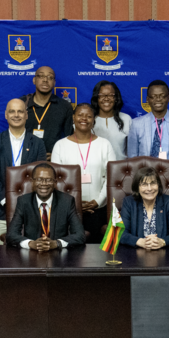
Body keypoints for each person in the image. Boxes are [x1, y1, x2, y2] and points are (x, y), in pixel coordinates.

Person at [0, 98, 48, 245]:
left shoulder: (37, 143)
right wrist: (6, 201)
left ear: (27, 115)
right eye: (12, 111)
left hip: (32, 208)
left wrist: (26, 202)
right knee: (1, 256)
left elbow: (41, 176)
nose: (16, 115)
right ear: (6, 115)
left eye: (20, 111)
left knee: (31, 255)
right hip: (1, 209)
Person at [51, 103, 116, 243]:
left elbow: (111, 178)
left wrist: (98, 202)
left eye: (89, 116)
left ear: (94, 120)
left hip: (98, 210)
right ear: (73, 118)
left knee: (98, 254)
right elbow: (55, 181)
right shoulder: (60, 145)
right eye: (80, 115)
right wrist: (74, 203)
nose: (84, 118)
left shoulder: (105, 145)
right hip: (68, 210)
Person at [128, 80, 169, 194]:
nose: (158, 100)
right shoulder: (136, 124)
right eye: (153, 96)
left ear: (168, 98)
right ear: (147, 100)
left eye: (162, 96)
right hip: (145, 182)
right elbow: (133, 157)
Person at [6, 162, 86, 250]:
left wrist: (57, 243)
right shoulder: (24, 201)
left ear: (55, 182)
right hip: (32, 256)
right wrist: (31, 243)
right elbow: (11, 235)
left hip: (59, 256)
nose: (44, 183)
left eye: (48, 180)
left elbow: (80, 235)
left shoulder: (67, 201)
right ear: (33, 182)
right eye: (39, 179)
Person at [119, 166, 169, 249]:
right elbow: (121, 233)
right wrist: (139, 241)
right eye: (144, 184)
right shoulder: (129, 202)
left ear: (158, 185)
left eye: (153, 183)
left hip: (164, 255)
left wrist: (162, 242)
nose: (149, 189)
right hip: (135, 255)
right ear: (137, 188)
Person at [21, 66, 74, 159]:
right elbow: (13, 133)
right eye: (41, 76)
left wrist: (57, 154)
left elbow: (69, 138)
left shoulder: (64, 106)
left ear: (54, 82)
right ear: (34, 80)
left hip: (52, 161)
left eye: (50, 77)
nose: (45, 80)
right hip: (24, 159)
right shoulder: (22, 103)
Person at [90, 80, 131, 161]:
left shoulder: (126, 119)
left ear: (116, 98)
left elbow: (131, 151)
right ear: (96, 98)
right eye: (102, 95)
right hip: (95, 170)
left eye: (110, 95)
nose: (106, 99)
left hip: (121, 169)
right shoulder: (89, 120)